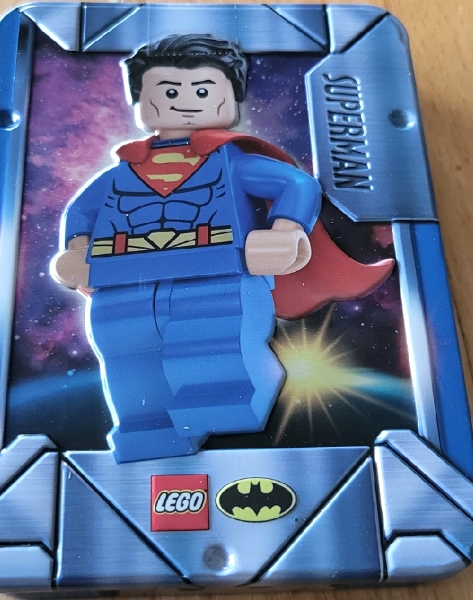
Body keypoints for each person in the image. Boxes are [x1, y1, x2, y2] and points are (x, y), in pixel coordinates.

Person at [51, 35, 392, 463]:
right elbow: (82, 210)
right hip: (122, 283)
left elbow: (295, 184)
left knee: (211, 350)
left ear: (230, 98)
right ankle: (145, 430)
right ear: (140, 100)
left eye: (202, 91)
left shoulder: (230, 161)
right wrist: (78, 247)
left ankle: (221, 414)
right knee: (129, 359)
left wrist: (285, 230)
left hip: (217, 271)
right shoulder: (122, 171)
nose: (185, 101)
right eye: (169, 91)